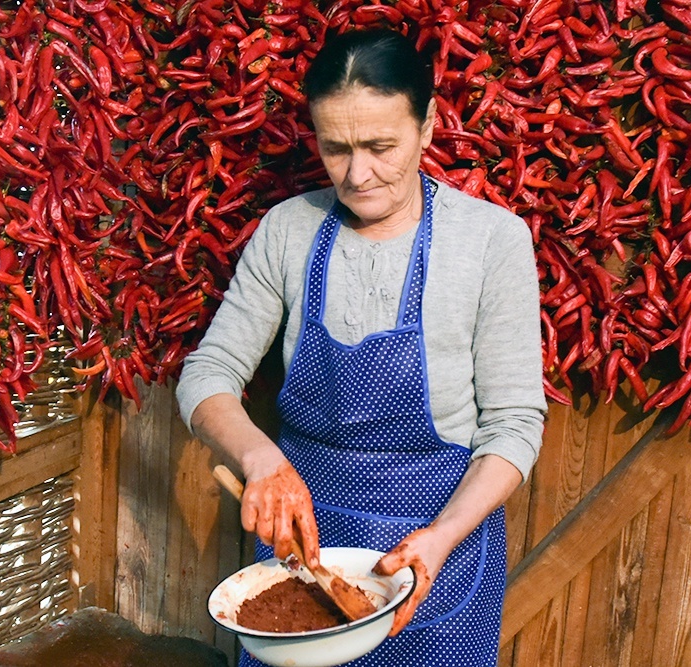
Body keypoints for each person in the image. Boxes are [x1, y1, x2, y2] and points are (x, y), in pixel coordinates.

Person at [176, 27, 546, 666]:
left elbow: (514, 425)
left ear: (427, 126)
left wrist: (442, 537)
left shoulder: (491, 240)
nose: (357, 173)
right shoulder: (289, 230)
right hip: (302, 551)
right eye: (335, 148)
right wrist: (261, 459)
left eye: (381, 146)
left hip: (435, 555)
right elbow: (206, 372)